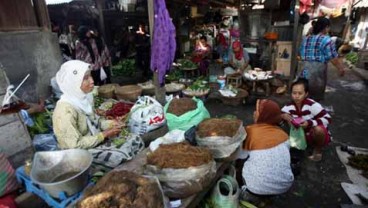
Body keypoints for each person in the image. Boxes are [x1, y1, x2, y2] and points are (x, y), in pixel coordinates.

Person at [52, 60, 122, 149]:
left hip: (94, 142)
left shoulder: (84, 99)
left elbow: (94, 122)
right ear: (74, 83)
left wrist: (111, 124)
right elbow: (74, 145)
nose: (92, 81)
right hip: (79, 155)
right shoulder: (65, 111)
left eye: (90, 76)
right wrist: (103, 135)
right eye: (85, 78)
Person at [241, 99, 294, 202]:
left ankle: (249, 192)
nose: (254, 113)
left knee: (242, 160)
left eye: (257, 111)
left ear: (263, 116)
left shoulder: (249, 132)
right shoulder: (284, 135)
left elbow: (241, 155)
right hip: (284, 185)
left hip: (256, 187)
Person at [281, 78, 331, 162]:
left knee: (318, 129)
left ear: (306, 94)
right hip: (299, 136)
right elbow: (278, 115)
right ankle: (295, 146)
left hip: (312, 134)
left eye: (300, 93)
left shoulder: (312, 105)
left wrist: (310, 123)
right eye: (294, 93)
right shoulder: (289, 106)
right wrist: (283, 115)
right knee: (283, 122)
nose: (296, 96)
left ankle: (318, 150)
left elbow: (327, 118)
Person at [299, 17, 346, 101]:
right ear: (326, 27)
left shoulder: (306, 39)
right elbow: (332, 57)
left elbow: (301, 53)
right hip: (317, 72)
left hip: (304, 69)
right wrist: (340, 68)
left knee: (303, 95)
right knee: (314, 98)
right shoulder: (327, 40)